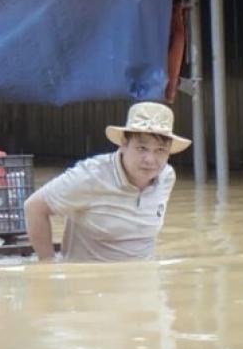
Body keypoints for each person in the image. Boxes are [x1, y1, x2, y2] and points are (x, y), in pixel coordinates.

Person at [24, 102, 191, 263]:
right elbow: (34, 207)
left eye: (160, 150)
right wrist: (47, 264)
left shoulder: (166, 176)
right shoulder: (90, 175)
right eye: (142, 148)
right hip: (92, 285)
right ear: (124, 144)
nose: (150, 160)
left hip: (144, 282)